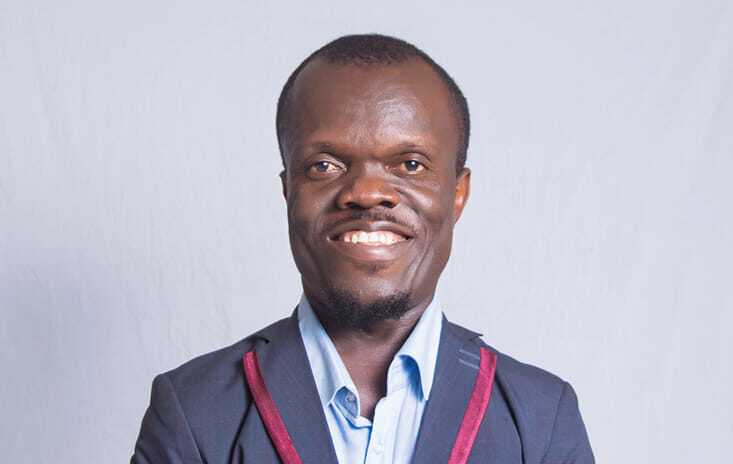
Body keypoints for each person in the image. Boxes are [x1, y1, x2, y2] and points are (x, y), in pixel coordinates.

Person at [131, 34, 594, 464]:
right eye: (324, 165)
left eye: (410, 164)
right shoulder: (193, 412)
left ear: (457, 194)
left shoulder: (541, 419)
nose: (368, 192)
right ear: (289, 190)